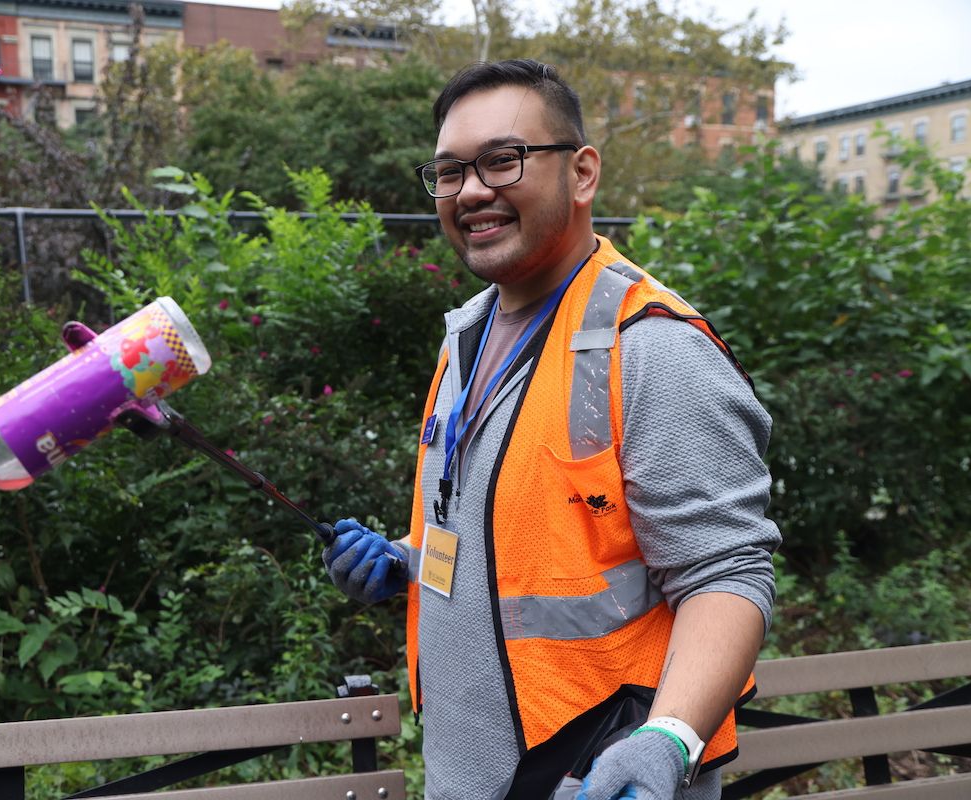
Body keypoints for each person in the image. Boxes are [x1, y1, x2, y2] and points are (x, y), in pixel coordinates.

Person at [323, 59, 780, 800]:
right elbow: (520, 540)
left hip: (601, 779)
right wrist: (407, 560)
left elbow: (726, 575)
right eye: (449, 172)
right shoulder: (466, 337)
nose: (471, 191)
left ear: (583, 173)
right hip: (466, 775)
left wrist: (669, 740)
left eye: (503, 160)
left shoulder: (653, 348)